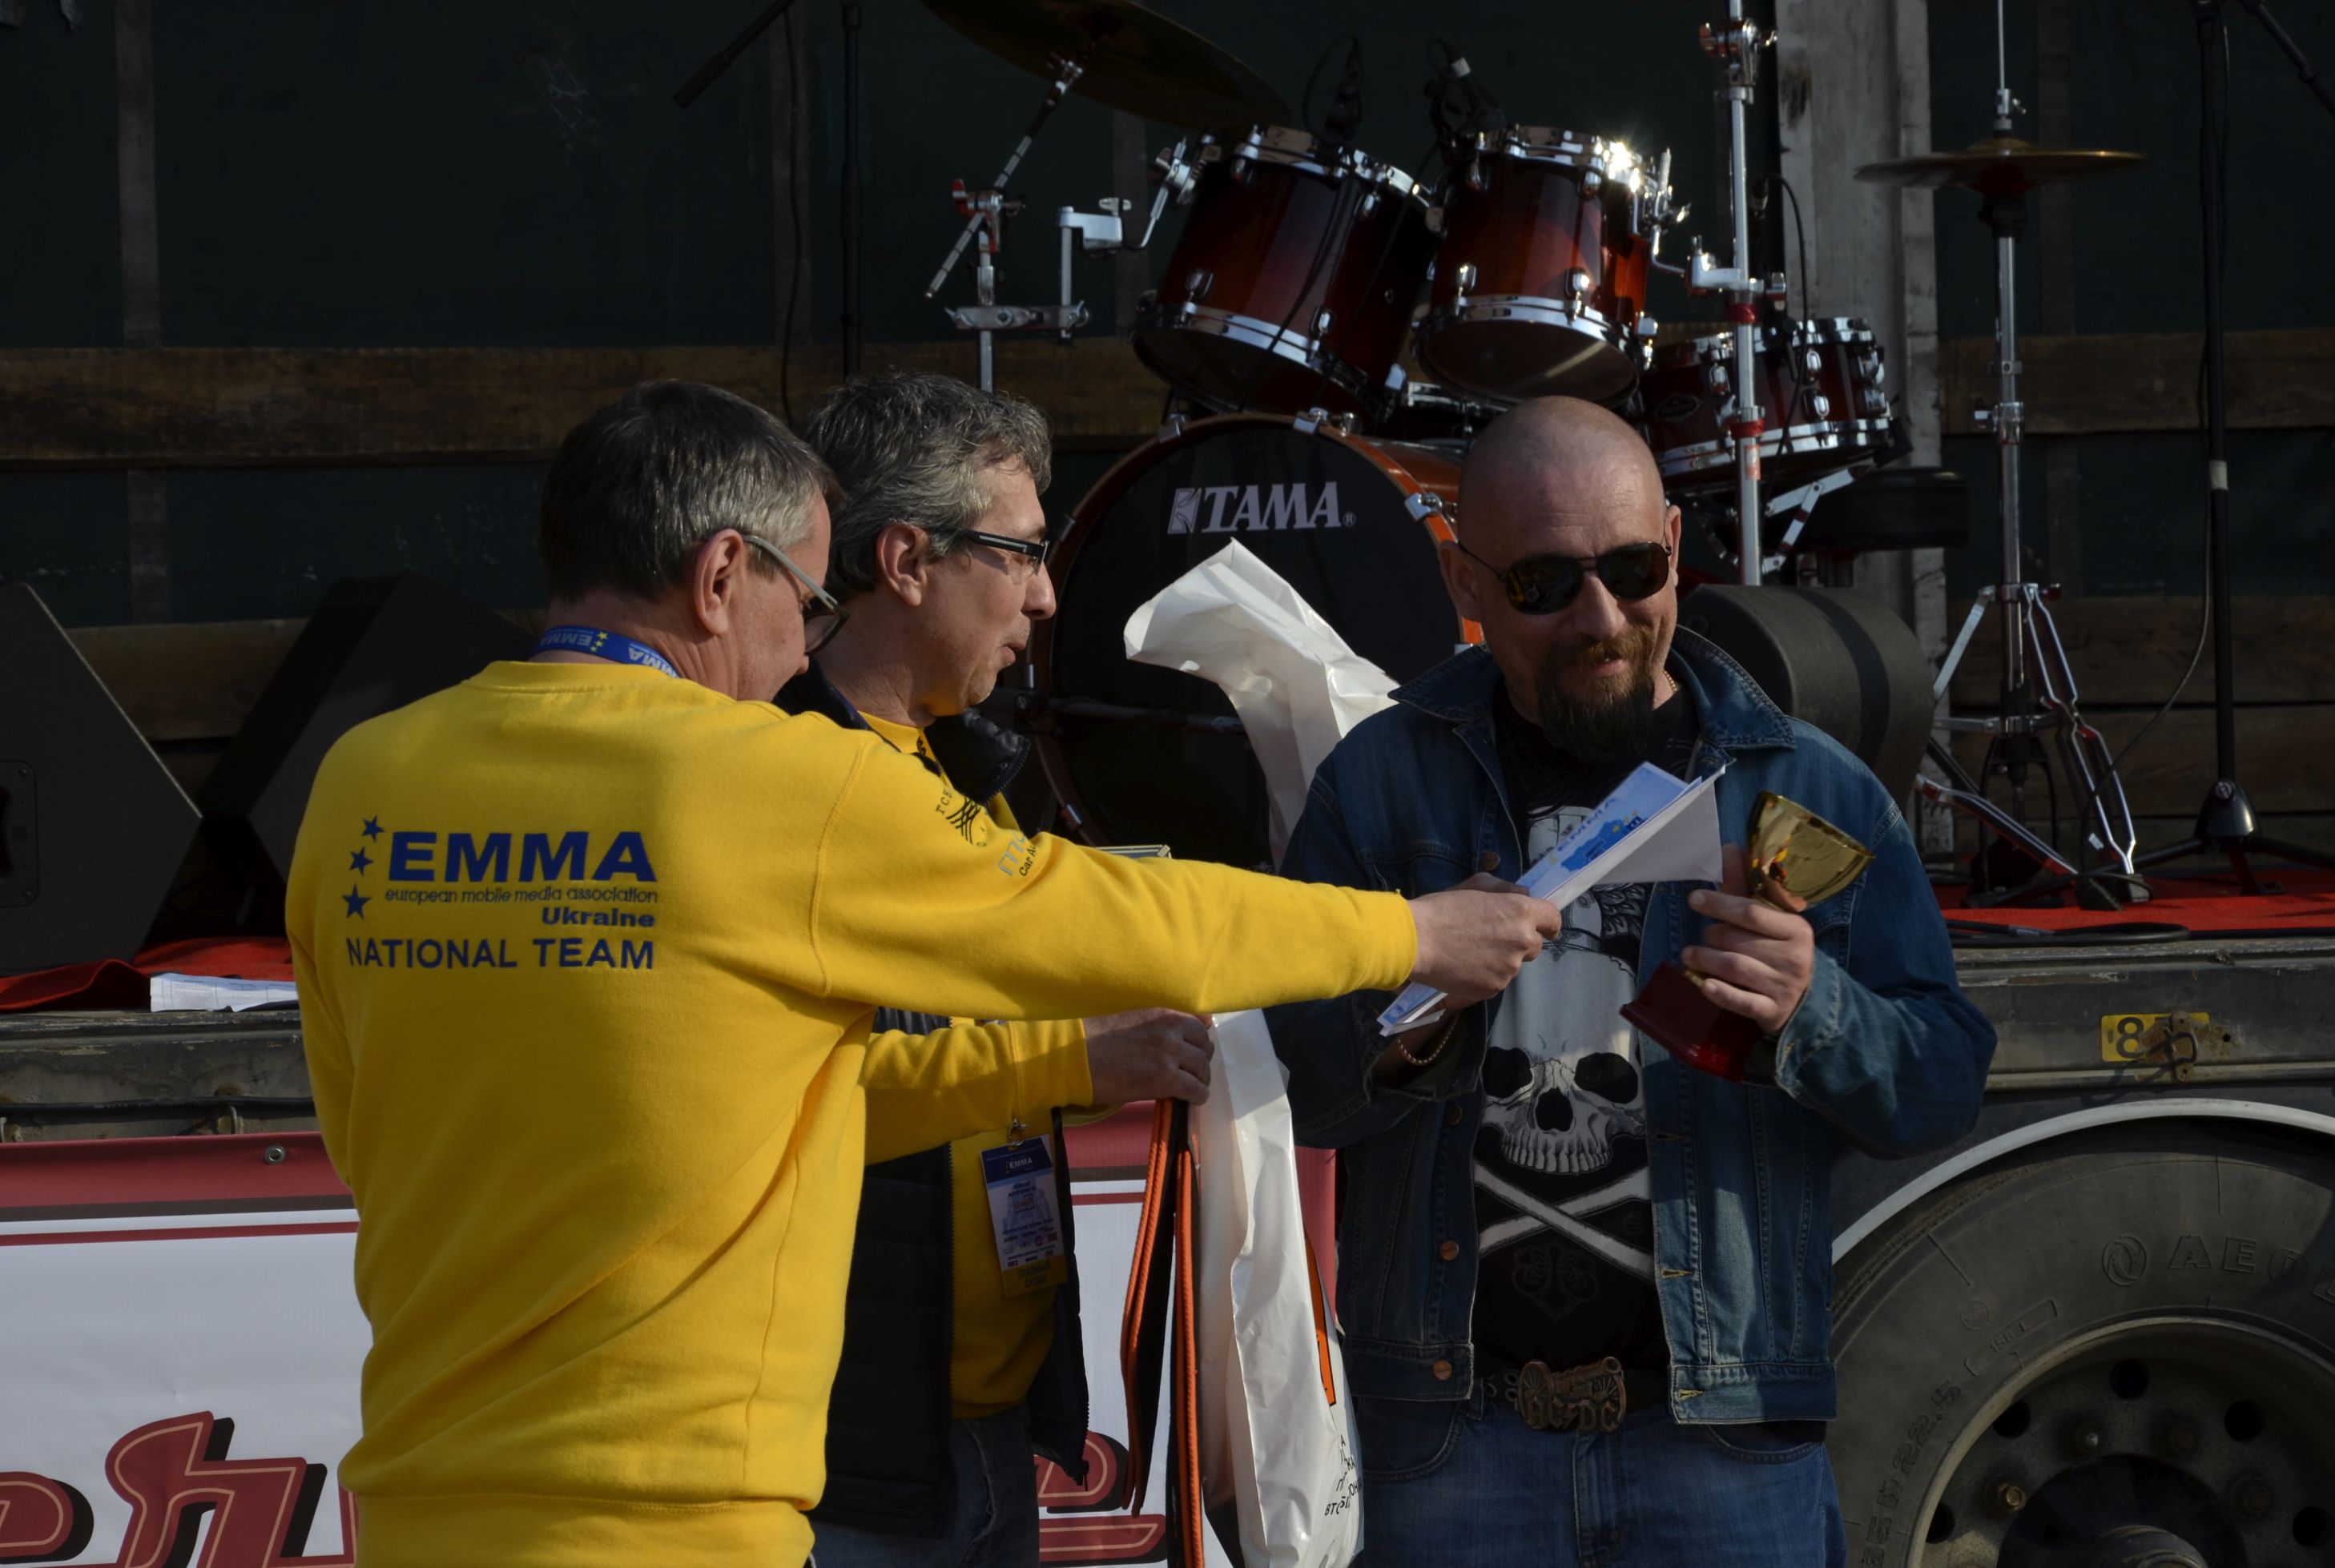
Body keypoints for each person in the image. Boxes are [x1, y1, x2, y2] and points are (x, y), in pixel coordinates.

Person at [284, 380, 1560, 1568]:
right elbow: (1109, 918)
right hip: (672, 1516)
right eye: (803, 595)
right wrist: (1407, 933)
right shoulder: (768, 780)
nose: (804, 646)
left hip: (418, 1503)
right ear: (720, 575)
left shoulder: (364, 779)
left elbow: (365, 1129)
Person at [1266, 396, 1996, 1567]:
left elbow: (1942, 1085)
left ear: (1673, 544)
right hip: (1453, 1436)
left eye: (1632, 569)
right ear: (1466, 581)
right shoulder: (1383, 783)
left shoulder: (1806, 785)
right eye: (1546, 583)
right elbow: (1293, 1085)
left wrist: (1816, 1010)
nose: (1601, 617)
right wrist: (1414, 1003)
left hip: (1724, 1437)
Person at [774, 371, 1174, 1566]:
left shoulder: (962, 763)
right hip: (850, 1461)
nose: (1045, 594)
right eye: (1022, 552)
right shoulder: (774, 784)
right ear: (905, 560)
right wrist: (1073, 1056)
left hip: (983, 1433)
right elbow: (802, 1096)